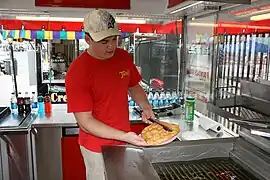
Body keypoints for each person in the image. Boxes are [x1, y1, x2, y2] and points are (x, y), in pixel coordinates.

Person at [65, 9, 155, 180]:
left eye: (114, 39)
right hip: (96, 147)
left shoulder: (123, 57)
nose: (111, 46)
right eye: (105, 41)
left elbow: (133, 85)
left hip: (123, 143)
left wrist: (145, 106)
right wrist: (123, 135)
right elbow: (85, 122)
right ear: (88, 40)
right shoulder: (78, 72)